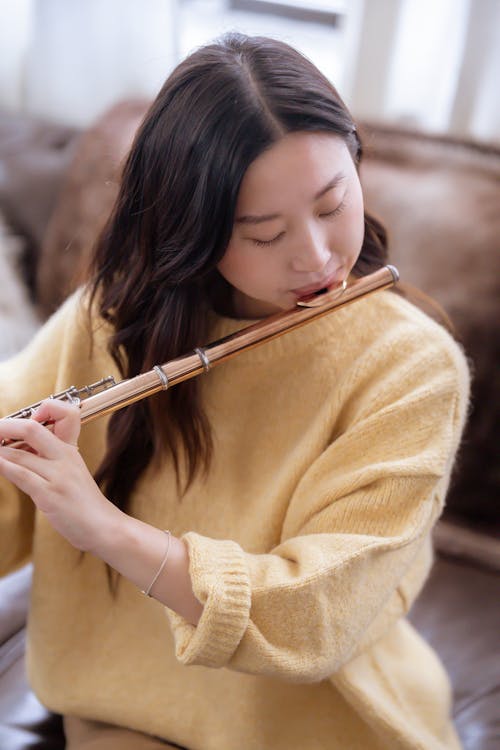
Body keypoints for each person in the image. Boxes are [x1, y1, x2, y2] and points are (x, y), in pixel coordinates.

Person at [0, 33, 469, 750]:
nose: (314, 256)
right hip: (125, 716)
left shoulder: (413, 368)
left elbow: (316, 616)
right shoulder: (114, 314)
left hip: (321, 732)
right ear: (192, 231)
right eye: (263, 233)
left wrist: (99, 525)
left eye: (331, 203)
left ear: (356, 160)